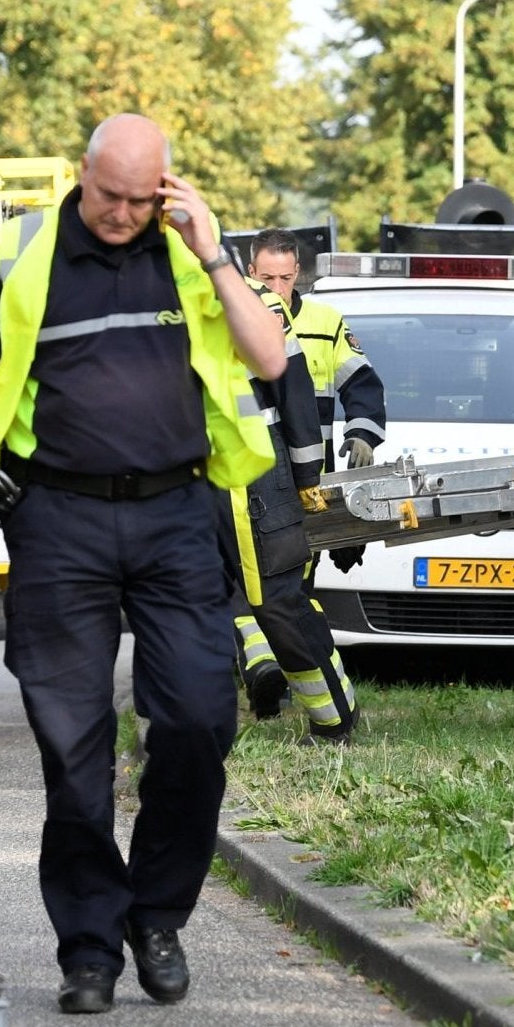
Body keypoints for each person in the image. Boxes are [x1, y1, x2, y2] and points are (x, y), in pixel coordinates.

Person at [0, 114, 288, 1016]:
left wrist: (215, 256)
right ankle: (90, 947)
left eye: (141, 198)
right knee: (73, 751)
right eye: (108, 195)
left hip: (174, 516)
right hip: (60, 521)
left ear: (165, 187)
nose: (122, 213)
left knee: (202, 718)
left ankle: (156, 913)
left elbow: (269, 356)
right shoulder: (27, 251)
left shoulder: (188, 249)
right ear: (82, 176)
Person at [219, 279, 362, 744]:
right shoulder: (150, 295)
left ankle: (334, 718)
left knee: (278, 599)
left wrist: (306, 478)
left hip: (257, 473)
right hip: (189, 476)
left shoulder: (256, 301)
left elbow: (293, 389)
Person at [248, 229, 386, 468]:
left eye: (286, 277)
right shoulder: (234, 325)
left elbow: (361, 384)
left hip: (315, 478)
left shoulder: (325, 322)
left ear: (297, 272)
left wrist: (362, 435)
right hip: (256, 474)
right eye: (267, 278)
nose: (278, 289)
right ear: (251, 273)